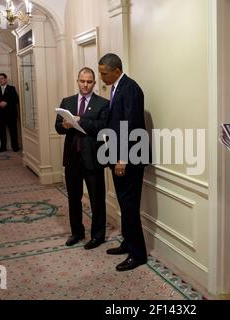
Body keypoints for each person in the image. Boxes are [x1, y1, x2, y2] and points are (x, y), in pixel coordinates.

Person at [98, 53, 149, 272]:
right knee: (124, 204)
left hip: (130, 158)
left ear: (116, 70)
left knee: (130, 206)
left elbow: (132, 125)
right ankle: (128, 243)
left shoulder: (131, 88)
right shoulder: (117, 86)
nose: (102, 77)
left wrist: (123, 158)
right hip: (119, 155)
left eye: (104, 73)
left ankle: (138, 254)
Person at [55, 67, 109, 250]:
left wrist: (80, 120)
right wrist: (64, 125)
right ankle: (77, 232)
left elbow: (103, 127)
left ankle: (98, 235)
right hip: (72, 158)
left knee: (97, 199)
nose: (85, 84)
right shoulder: (67, 101)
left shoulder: (103, 103)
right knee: (74, 198)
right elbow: (58, 127)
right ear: (77, 81)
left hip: (93, 158)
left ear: (94, 83)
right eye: (82, 81)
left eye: (89, 81)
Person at [0, 73, 20, 152]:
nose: (1, 80)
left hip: (11, 114)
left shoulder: (12, 88)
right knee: (2, 132)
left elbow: (16, 100)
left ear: (5, 79)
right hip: (0, 115)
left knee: (13, 131)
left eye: (2, 78)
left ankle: (15, 147)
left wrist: (6, 103)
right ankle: (3, 147)